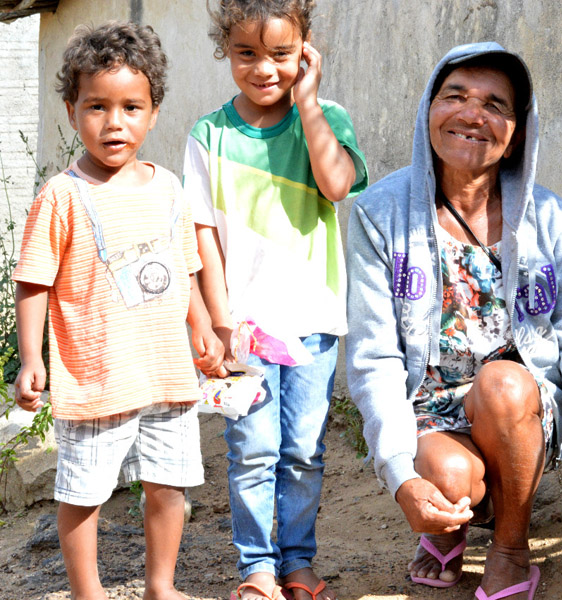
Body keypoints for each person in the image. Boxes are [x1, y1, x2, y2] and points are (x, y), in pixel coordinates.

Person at [345, 41, 562, 600]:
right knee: (447, 480)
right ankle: (449, 525)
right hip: (429, 413)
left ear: (517, 131)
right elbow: (376, 359)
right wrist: (400, 476)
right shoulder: (380, 215)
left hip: (517, 408)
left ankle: (511, 546)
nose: (473, 114)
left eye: (496, 105)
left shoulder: (552, 220)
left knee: (504, 383)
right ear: (428, 110)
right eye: (456, 96)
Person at [13, 21, 225, 600]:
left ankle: (161, 585)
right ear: (70, 108)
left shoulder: (169, 189)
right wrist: (31, 357)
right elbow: (34, 279)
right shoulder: (62, 195)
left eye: (131, 107)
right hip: (96, 376)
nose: (114, 122)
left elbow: (186, 269)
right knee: (84, 491)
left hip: (165, 375)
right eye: (96, 106)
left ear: (153, 112)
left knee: (170, 486)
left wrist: (203, 328)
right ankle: (88, 592)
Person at [182, 1, 368, 599]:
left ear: (306, 50)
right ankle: (258, 568)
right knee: (255, 451)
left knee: (304, 453)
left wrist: (308, 100)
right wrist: (217, 319)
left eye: (282, 54)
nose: (264, 68)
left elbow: (336, 185)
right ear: (226, 51)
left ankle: (297, 563)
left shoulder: (327, 118)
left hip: (312, 319)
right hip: (245, 330)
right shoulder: (207, 135)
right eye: (247, 54)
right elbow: (201, 234)